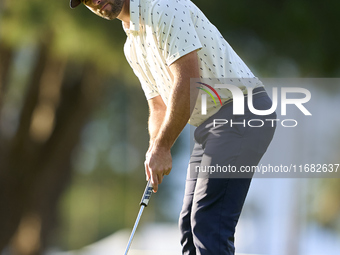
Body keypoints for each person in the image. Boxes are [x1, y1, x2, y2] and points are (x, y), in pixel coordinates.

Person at [70, 0, 276, 254]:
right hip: (211, 125)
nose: (95, 1)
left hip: (243, 112)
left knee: (208, 223)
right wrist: (154, 151)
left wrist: (163, 146)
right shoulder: (132, 46)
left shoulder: (163, 7)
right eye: (86, 0)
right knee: (189, 227)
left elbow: (189, 80)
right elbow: (158, 106)